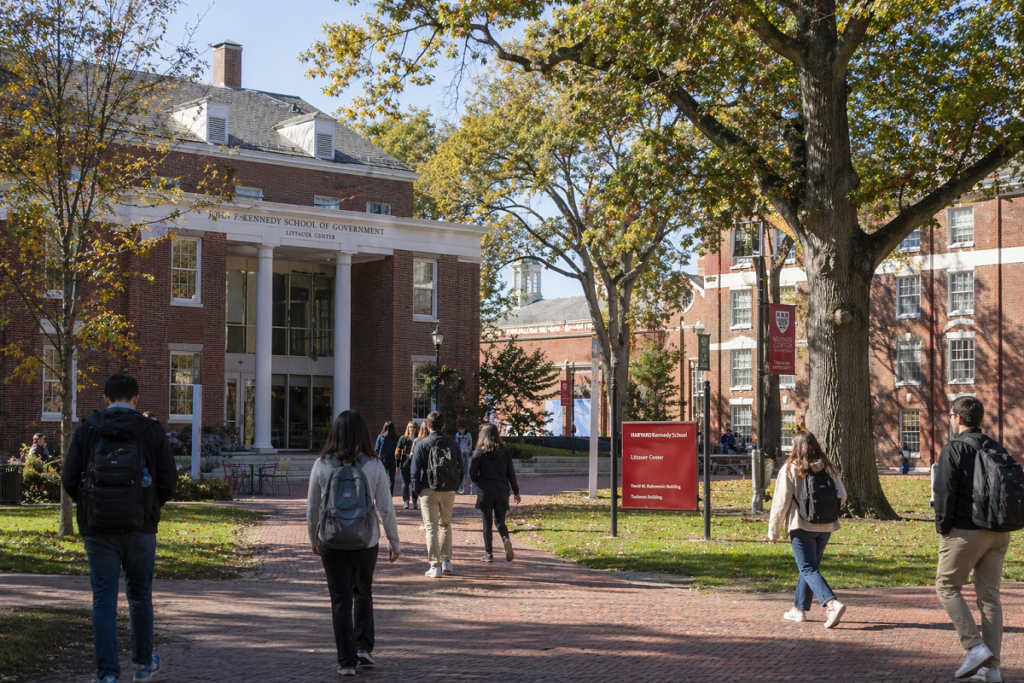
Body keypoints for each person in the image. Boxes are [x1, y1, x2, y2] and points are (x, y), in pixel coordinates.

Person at [61, 374, 177, 683]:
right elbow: (168, 481)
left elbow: (70, 479)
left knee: (103, 598)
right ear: (136, 399)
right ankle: (141, 664)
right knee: (140, 595)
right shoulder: (151, 431)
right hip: (141, 528)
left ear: (105, 398)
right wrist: (148, 507)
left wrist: (90, 508)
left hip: (98, 529)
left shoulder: (87, 430)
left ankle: (108, 675)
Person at [307, 410, 400, 677]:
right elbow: (385, 507)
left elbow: (313, 506)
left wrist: (313, 536)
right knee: (363, 592)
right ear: (364, 434)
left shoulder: (322, 464)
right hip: (366, 540)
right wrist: (394, 541)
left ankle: (346, 661)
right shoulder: (373, 464)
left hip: (332, 539)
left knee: (340, 599)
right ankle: (364, 648)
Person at [934, 396, 1011, 682]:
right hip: (1000, 533)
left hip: (967, 532)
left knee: (946, 586)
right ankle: (992, 670)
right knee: (989, 598)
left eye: (951, 415)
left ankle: (975, 647)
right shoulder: (996, 446)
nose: (950, 419)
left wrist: (942, 529)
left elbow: (944, 494)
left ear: (959, 419)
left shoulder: (953, 449)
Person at [767, 429, 847, 629]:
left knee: (808, 568)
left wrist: (773, 531)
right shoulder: (828, 467)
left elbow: (781, 502)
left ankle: (831, 604)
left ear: (795, 446)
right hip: (826, 526)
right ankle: (798, 609)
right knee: (810, 568)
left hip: (801, 525)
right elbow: (842, 495)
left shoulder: (791, 468)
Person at [409, 411, 464, 578]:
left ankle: (435, 565)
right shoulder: (453, 444)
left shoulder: (422, 444)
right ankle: (447, 561)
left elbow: (415, 470)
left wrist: (417, 490)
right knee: (445, 525)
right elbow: (461, 468)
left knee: (431, 528)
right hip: (448, 490)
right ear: (444, 425)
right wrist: (455, 487)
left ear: (428, 425)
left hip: (428, 490)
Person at [470, 424, 521, 563]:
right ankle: (506, 539)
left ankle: (489, 554)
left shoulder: (479, 452)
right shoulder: (505, 451)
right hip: (502, 490)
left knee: (487, 522)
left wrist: (476, 480)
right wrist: (516, 492)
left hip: (485, 490)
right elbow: (511, 473)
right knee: (500, 521)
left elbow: (472, 474)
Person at [396, 421, 418, 510]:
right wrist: (397, 465)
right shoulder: (403, 439)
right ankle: (406, 501)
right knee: (405, 483)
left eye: (413, 427)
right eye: (410, 427)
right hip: (405, 463)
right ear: (407, 428)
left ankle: (414, 501)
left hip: (415, 464)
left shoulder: (418, 439)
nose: (412, 429)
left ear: (416, 429)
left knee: (414, 483)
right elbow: (397, 453)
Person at [374, 421, 400, 497]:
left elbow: (376, 449)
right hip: (392, 460)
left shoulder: (380, 436)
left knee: (382, 478)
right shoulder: (396, 438)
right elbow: (397, 450)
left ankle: (382, 494)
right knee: (391, 479)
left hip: (382, 459)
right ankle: (390, 495)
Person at [455, 422, 473, 495]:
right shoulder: (457, 434)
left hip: (466, 451)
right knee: (461, 467)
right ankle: (461, 487)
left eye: (462, 428)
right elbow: (457, 442)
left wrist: (470, 448)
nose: (460, 430)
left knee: (466, 467)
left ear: (464, 429)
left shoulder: (468, 434)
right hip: (461, 451)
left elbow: (470, 442)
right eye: (459, 429)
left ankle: (468, 484)